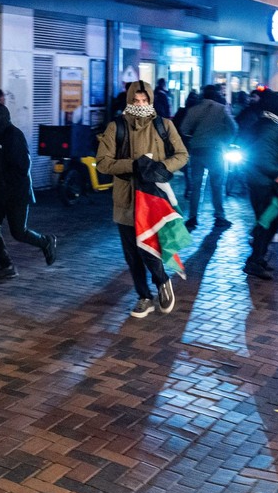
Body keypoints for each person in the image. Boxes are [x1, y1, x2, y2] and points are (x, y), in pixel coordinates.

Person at [96, 80, 188, 317]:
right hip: (126, 198)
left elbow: (182, 155)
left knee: (151, 248)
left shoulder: (164, 125)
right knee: (132, 253)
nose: (140, 104)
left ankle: (162, 281)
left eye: (144, 100)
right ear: (129, 101)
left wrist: (161, 167)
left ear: (150, 100)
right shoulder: (116, 127)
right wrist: (133, 165)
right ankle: (143, 296)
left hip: (154, 197)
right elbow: (103, 163)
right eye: (136, 101)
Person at [0, 101, 57, 281]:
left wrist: (4, 184)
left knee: (18, 232)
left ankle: (46, 242)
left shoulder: (14, 136)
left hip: (16, 194)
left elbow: (23, 167)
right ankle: (6, 265)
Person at [242, 91, 278, 279]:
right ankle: (254, 261)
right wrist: (277, 174)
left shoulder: (268, 124)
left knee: (271, 220)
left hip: (261, 179)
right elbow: (261, 155)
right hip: (263, 180)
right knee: (267, 221)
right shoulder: (270, 127)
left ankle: (258, 257)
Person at [180, 84, 238, 230]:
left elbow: (184, 129)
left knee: (196, 186)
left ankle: (192, 218)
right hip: (216, 152)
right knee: (217, 186)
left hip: (197, 151)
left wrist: (194, 136)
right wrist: (226, 141)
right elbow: (234, 128)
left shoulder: (194, 109)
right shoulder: (222, 109)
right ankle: (219, 216)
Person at [173, 91, 200, 199]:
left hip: (185, 142)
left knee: (187, 166)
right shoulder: (192, 112)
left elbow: (175, 126)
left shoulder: (184, 111)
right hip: (189, 142)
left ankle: (190, 186)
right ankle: (190, 186)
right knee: (190, 166)